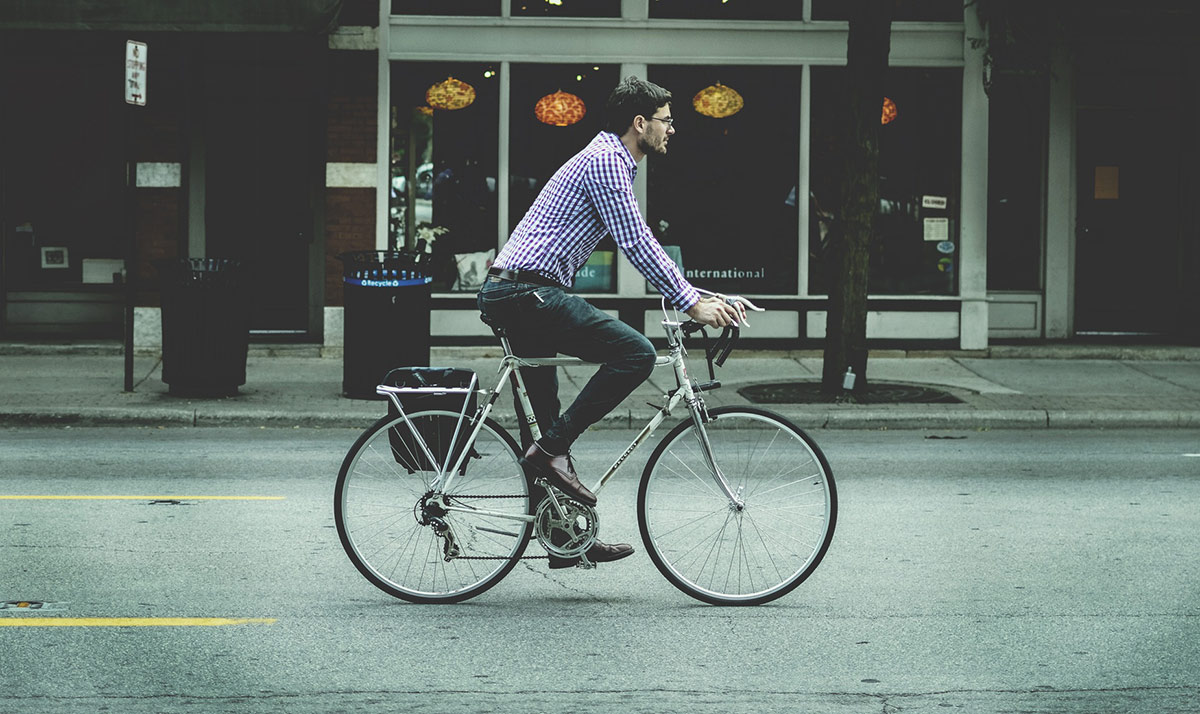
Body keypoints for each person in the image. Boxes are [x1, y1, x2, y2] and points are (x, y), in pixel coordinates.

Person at [477, 76, 744, 569]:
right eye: (666, 119)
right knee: (636, 353)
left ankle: (563, 535)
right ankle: (549, 455)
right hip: (526, 292)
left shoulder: (610, 160)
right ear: (640, 123)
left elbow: (640, 242)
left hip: (522, 291)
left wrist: (706, 296)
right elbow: (637, 241)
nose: (672, 128)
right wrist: (690, 303)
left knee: (547, 418)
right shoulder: (607, 163)